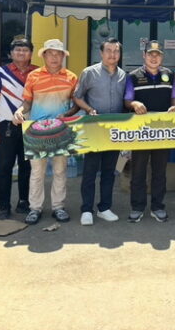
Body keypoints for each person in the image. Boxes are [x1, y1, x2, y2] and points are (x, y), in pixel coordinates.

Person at [13, 39, 78, 225]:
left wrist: (68, 114)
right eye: (51, 53)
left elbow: (76, 104)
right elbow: (27, 102)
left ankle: (58, 207)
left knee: (60, 170)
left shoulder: (71, 77)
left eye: (58, 54)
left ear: (63, 56)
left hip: (61, 129)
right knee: (37, 172)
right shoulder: (33, 76)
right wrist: (19, 111)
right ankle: (35, 208)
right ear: (44, 56)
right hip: (36, 130)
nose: (54, 57)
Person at [124, 40, 175, 223]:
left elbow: (174, 97)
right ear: (144, 56)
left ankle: (158, 206)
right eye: (150, 54)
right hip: (141, 132)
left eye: (157, 55)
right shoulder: (133, 76)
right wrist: (134, 103)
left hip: (162, 131)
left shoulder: (169, 74)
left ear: (162, 57)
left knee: (160, 171)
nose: (154, 58)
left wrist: (174, 107)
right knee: (138, 171)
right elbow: (127, 100)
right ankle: (137, 207)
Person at [72, 37, 126, 226]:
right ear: (101, 53)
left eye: (116, 51)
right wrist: (88, 109)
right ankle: (87, 209)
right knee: (90, 171)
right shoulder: (89, 73)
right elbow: (77, 96)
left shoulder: (123, 76)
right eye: (108, 50)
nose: (113, 54)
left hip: (113, 131)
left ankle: (104, 208)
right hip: (93, 129)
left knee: (109, 171)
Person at [0, 37, 37, 220]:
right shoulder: (0, 73)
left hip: (31, 126)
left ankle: (24, 201)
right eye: (17, 50)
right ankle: (3, 206)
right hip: (6, 126)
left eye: (25, 50)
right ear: (10, 53)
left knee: (27, 167)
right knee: (4, 167)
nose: (21, 53)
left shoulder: (38, 72)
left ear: (31, 53)